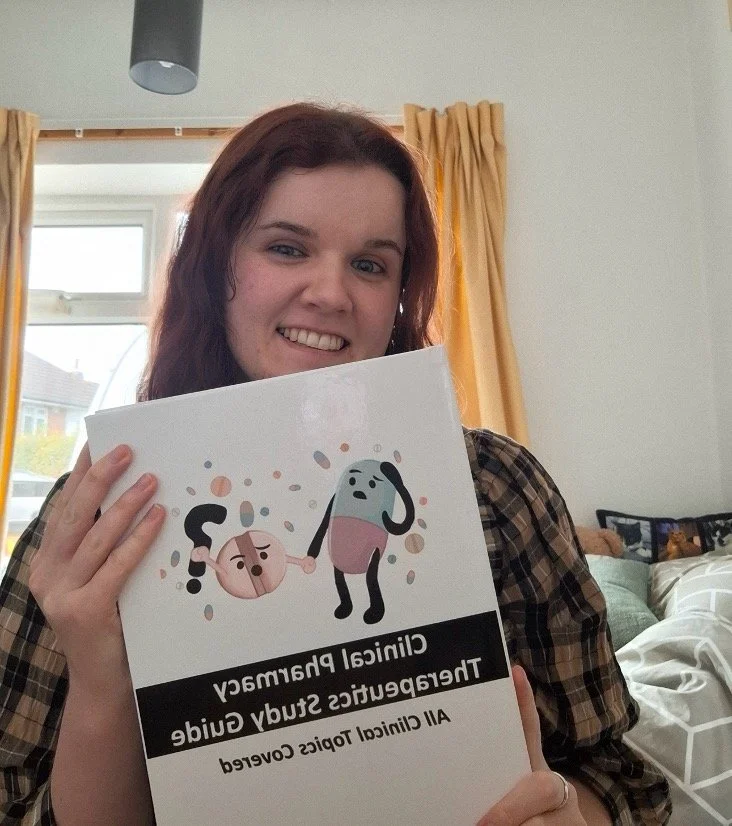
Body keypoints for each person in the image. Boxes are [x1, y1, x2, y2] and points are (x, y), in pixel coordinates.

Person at [0, 102, 671, 826]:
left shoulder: (499, 487)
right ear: (215, 266)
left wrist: (569, 814)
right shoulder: (104, 508)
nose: (329, 292)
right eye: (287, 249)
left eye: (369, 264)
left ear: (399, 300)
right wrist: (105, 684)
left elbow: (620, 777)